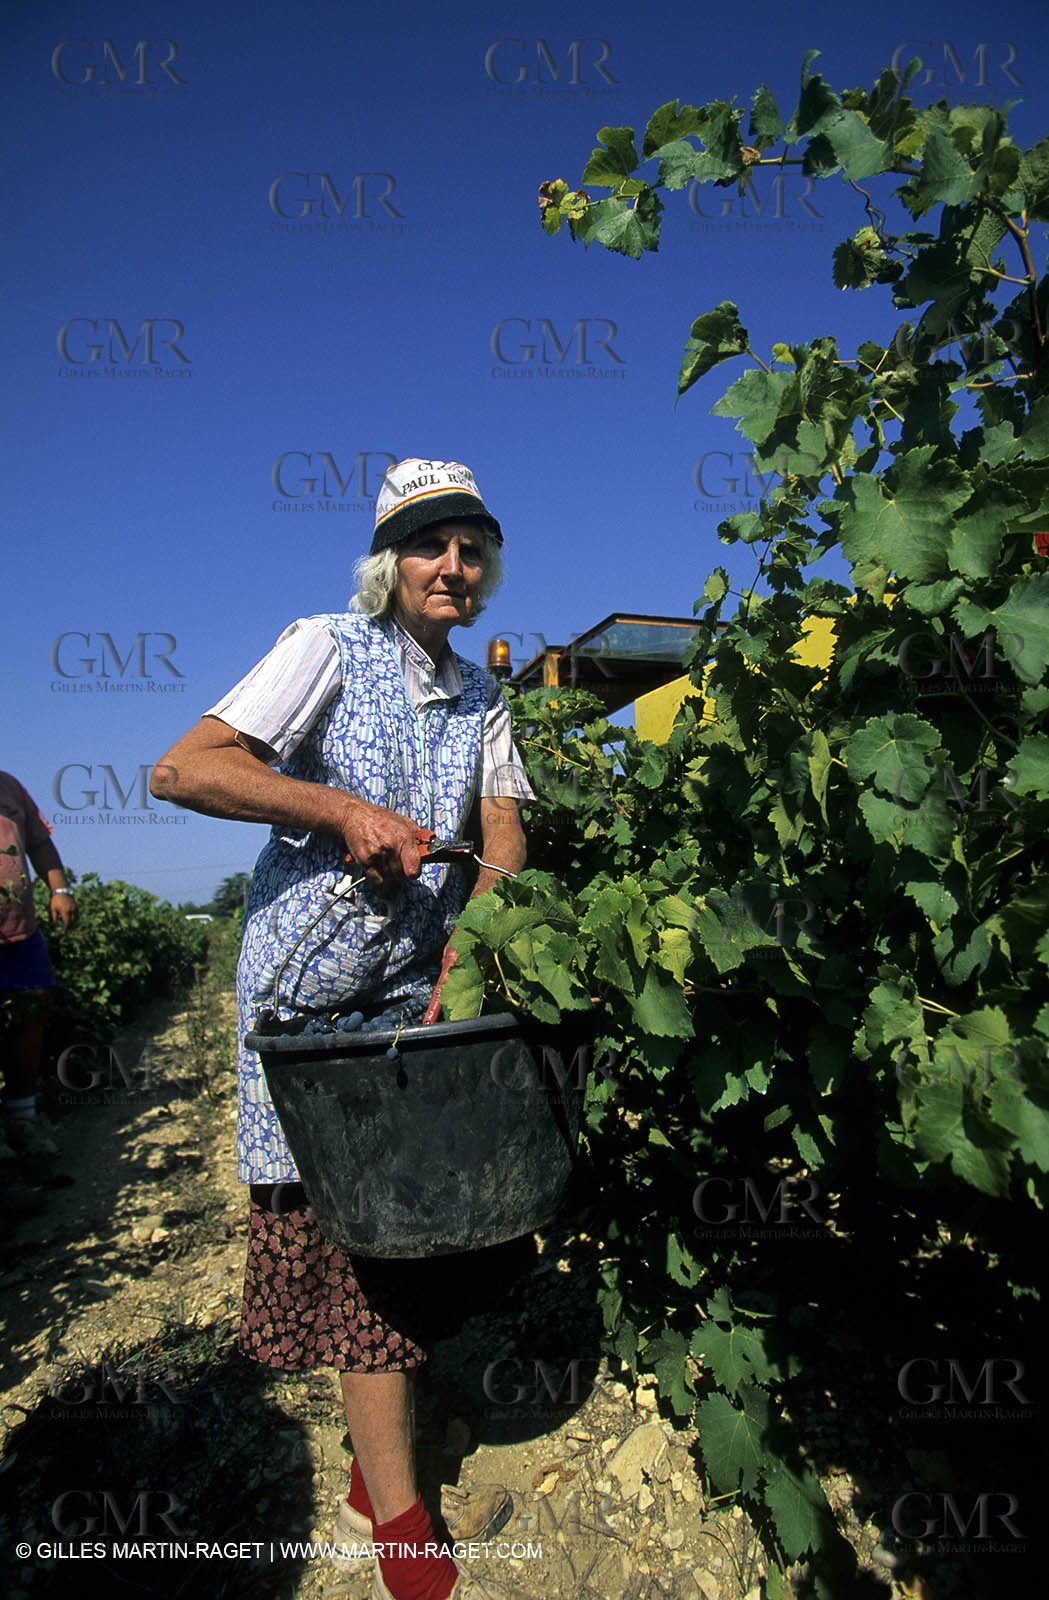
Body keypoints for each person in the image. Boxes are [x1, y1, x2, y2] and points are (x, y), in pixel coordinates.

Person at [151, 458, 536, 1600]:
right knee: (360, 1255)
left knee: (425, 1231)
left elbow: (503, 834)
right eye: (431, 546)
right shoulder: (324, 645)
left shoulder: (484, 701)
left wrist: (478, 935)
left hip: (417, 1000)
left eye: (471, 549)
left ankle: (383, 1471)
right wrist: (340, 809)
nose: (452, 568)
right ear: (390, 562)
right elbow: (184, 767)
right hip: (308, 1008)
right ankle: (402, 1527)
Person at [0, 770, 78, 1157]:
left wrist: (60, 890)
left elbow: (40, 844)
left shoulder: (9, 786)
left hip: (20, 931)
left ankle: (21, 1118)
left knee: (33, 1006)